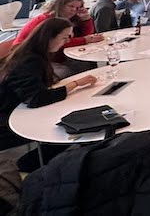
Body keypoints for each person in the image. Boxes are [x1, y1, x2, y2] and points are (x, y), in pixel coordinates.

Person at [0, 18, 97, 165]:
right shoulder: (30, 60)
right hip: (9, 121)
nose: (66, 42)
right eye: (64, 37)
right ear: (49, 37)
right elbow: (36, 99)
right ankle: (28, 165)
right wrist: (76, 84)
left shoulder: (31, 53)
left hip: (17, 107)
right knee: (72, 129)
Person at [14, 0, 103, 77]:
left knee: (86, 62)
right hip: (29, 59)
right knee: (74, 67)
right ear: (60, 5)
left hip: (51, 55)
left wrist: (86, 19)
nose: (74, 10)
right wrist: (85, 40)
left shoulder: (67, 19)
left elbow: (86, 36)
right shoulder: (47, 20)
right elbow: (56, 43)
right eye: (71, 6)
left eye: (77, 8)